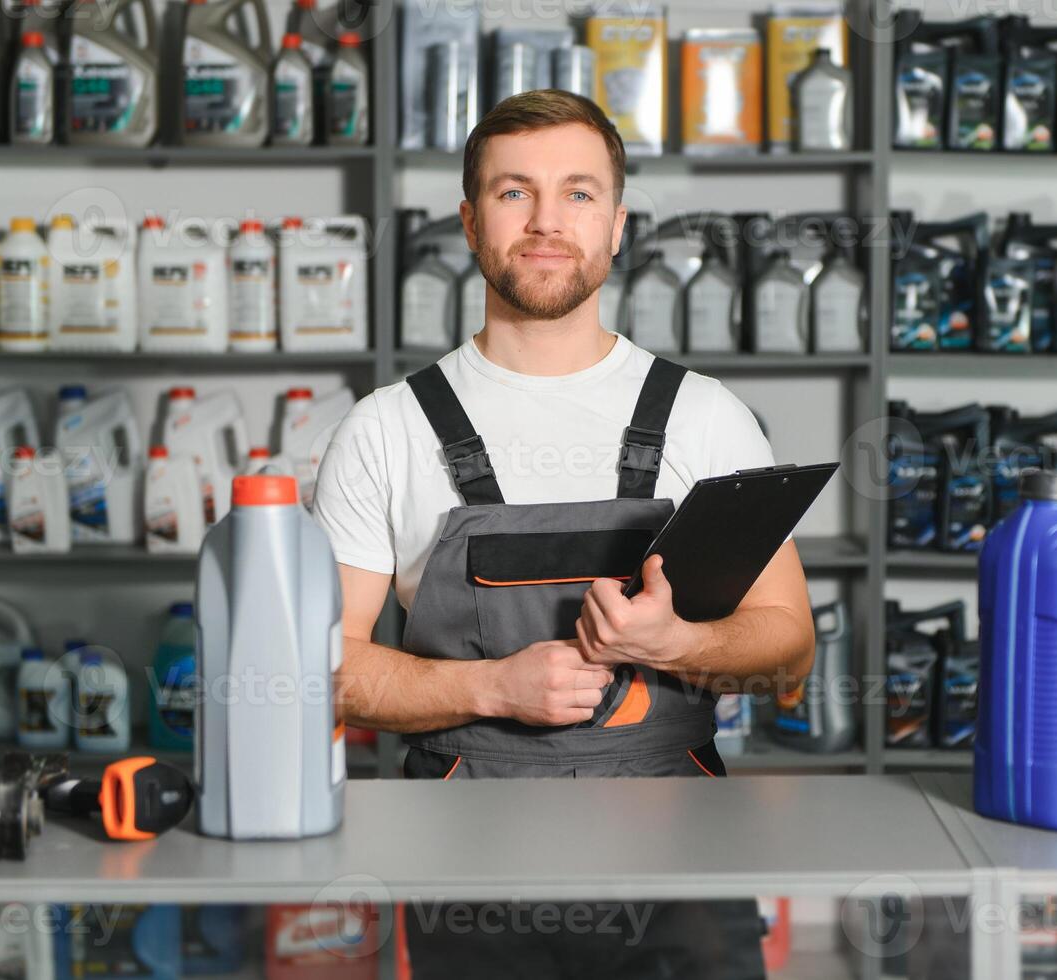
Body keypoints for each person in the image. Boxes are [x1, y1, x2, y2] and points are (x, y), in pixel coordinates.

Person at [312, 89, 816, 978]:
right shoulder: (386, 428)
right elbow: (328, 673)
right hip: (464, 864)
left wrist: (682, 641)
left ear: (618, 225)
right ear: (469, 223)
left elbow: (789, 651)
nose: (547, 222)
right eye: (514, 193)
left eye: (578, 193)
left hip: (679, 860)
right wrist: (494, 688)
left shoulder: (706, 419)